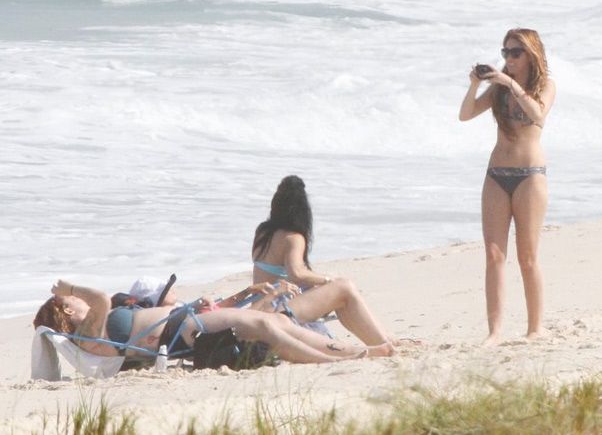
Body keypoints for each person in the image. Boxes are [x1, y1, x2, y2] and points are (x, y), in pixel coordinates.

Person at [33, 280, 393, 366]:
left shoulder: (96, 328)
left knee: (271, 325)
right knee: (268, 326)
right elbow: (98, 297)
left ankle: (356, 352)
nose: (78, 299)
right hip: (184, 332)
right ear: (66, 311)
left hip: (188, 324)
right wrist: (67, 288)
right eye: (70, 302)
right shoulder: (88, 333)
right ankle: (342, 357)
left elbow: (101, 300)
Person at [458, 28, 556, 345]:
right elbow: (465, 115)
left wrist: (509, 83)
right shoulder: (499, 89)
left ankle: (535, 328)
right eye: (505, 53)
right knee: (493, 254)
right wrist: (475, 85)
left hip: (530, 176)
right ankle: (495, 332)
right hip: (496, 175)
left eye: (515, 53)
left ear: (531, 54)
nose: (509, 59)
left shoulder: (546, 85)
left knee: (527, 256)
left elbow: (538, 115)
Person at [252, 175, 417, 348]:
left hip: (260, 307)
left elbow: (283, 276)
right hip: (276, 310)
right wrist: (328, 279)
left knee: (342, 294)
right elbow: (296, 273)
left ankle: (384, 338)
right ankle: (384, 343)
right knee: (344, 287)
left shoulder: (263, 233)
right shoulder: (293, 238)